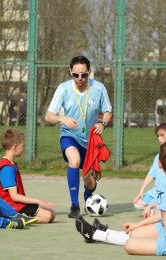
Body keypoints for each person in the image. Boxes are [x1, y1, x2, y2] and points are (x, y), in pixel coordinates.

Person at [75, 140, 166, 259]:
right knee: (135, 232)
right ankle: (104, 231)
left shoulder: (163, 183)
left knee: (130, 244)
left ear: (159, 164)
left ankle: (96, 234)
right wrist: (138, 224)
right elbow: (165, 215)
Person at [45, 55, 112, 218]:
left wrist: (102, 123)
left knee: (89, 181)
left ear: (89, 72)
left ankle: (87, 195)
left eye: (84, 74)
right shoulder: (63, 88)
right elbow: (48, 116)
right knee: (74, 162)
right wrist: (62, 118)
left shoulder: (99, 88)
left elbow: (108, 111)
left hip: (90, 142)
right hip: (69, 136)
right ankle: (74, 205)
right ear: (70, 72)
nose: (80, 78)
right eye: (76, 75)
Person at [0, 128, 56, 223]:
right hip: (9, 206)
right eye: (23, 146)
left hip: (16, 203)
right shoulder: (6, 168)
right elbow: (14, 197)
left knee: (51, 213)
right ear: (15, 147)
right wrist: (38, 201)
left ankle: (21, 217)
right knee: (47, 216)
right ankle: (12, 219)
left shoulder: (12, 164)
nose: (24, 148)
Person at [133, 121, 166, 210]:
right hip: (156, 192)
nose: (159, 138)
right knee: (137, 204)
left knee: (153, 211)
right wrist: (141, 190)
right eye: (158, 136)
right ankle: (155, 206)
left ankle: (156, 207)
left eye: (162, 135)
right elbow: (151, 174)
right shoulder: (158, 156)